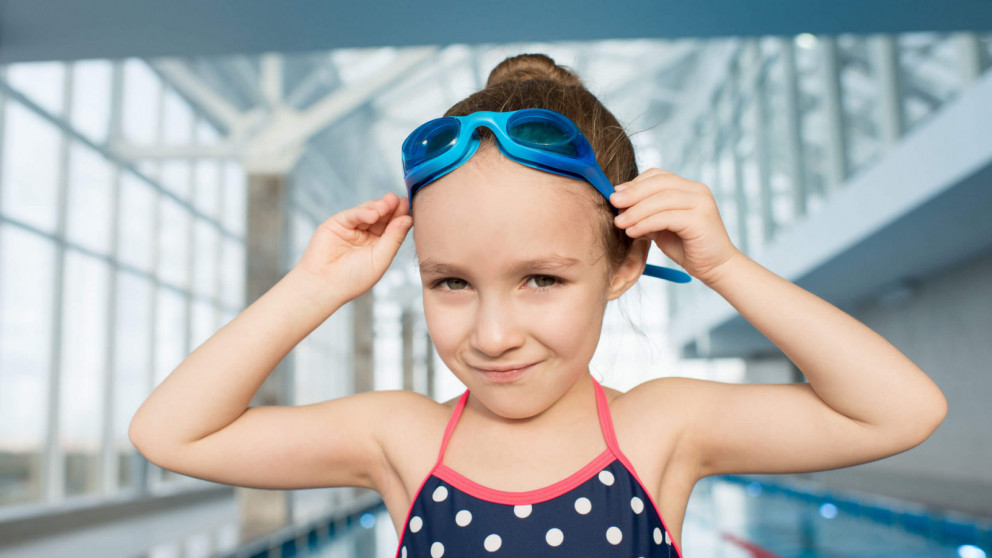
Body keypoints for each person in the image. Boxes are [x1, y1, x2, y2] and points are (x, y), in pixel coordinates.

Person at [129, 53, 948, 557]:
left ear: (625, 264)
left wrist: (727, 267)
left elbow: (900, 412)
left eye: (541, 280)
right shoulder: (400, 439)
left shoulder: (659, 430)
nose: (492, 334)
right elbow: (170, 433)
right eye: (451, 281)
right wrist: (316, 286)